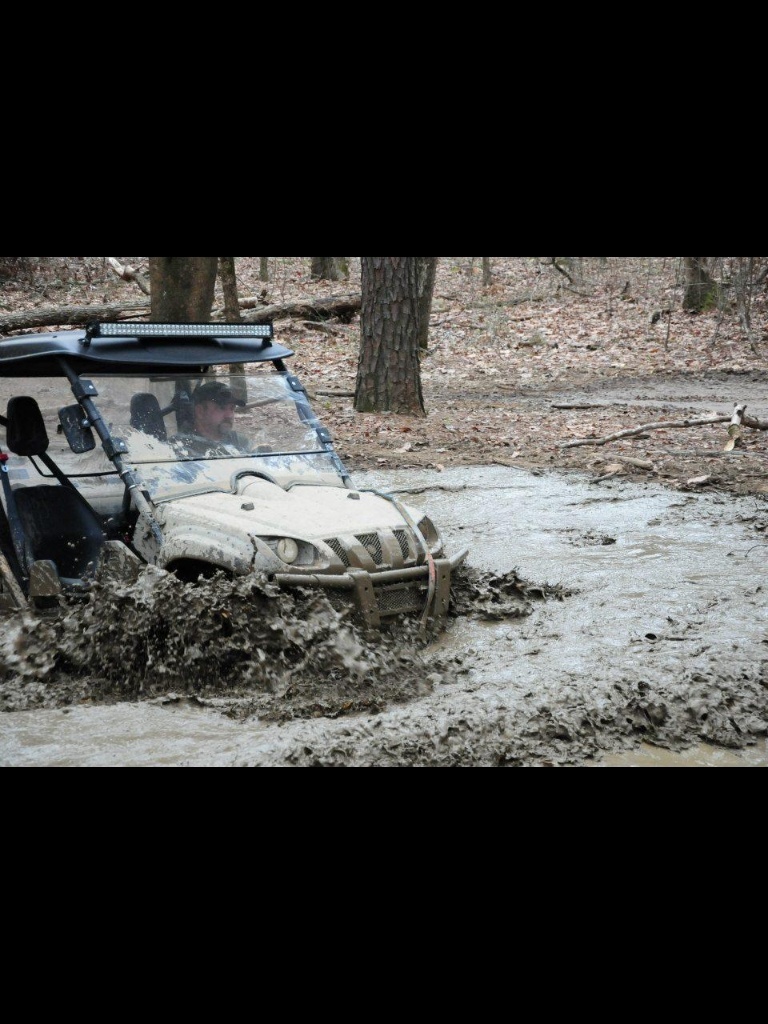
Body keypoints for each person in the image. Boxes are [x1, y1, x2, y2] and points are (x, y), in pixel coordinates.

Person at [171, 380, 251, 456]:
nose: (229, 415)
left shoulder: (241, 443)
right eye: (221, 408)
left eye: (232, 408)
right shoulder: (178, 447)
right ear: (200, 411)